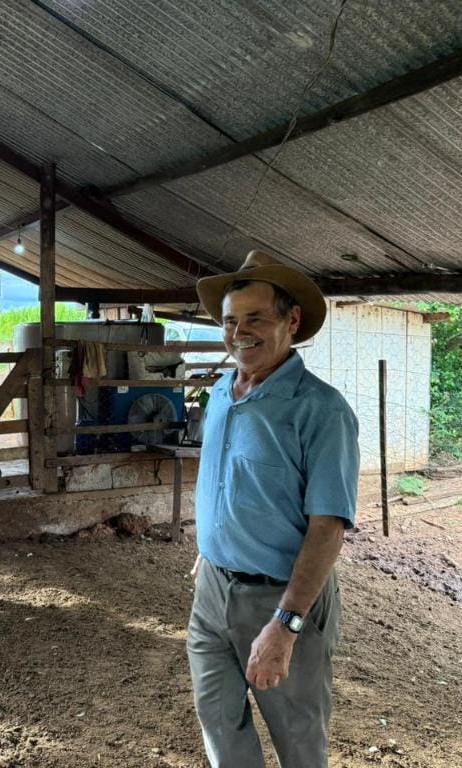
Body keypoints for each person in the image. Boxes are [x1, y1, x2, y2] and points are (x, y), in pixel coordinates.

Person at [187, 250, 360, 768]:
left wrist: (286, 624)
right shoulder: (222, 391)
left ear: (292, 321)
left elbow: (328, 528)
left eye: (256, 318)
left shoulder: (321, 410)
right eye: (230, 321)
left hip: (280, 598)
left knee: (298, 740)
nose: (240, 333)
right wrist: (212, 546)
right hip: (213, 589)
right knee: (220, 727)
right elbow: (227, 479)